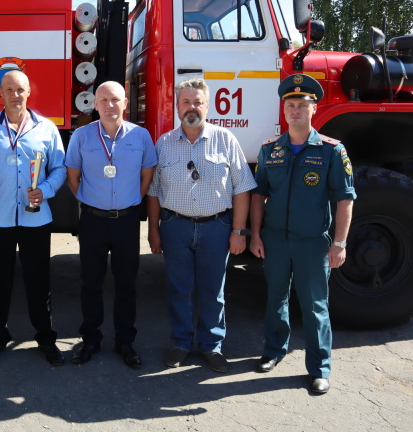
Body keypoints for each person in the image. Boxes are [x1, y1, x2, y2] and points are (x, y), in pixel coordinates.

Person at [250, 74, 355, 395]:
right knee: (275, 299)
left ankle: (320, 368)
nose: (295, 110)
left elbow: (345, 198)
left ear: (313, 109)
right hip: (275, 240)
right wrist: (255, 235)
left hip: (313, 244)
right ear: (284, 110)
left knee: (314, 306)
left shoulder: (331, 151)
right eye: (290, 105)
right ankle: (273, 351)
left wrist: (339, 243)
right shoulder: (270, 150)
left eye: (302, 105)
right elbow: (258, 195)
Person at [147, 78, 256, 373]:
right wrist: (153, 230)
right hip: (175, 226)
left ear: (208, 106)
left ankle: (212, 345)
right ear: (177, 107)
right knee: (179, 288)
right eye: (186, 102)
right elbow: (154, 191)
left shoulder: (226, 140)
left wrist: (238, 231)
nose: (191, 107)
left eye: (197, 102)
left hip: (216, 227)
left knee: (212, 290)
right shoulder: (165, 143)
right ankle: (181, 343)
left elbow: (242, 189)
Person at [0, 70, 67, 366]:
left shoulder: (46, 129)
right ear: (0, 93)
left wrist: (45, 190)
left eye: (20, 89)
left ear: (28, 92)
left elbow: (60, 168)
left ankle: (46, 338)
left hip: (36, 220)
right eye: (8, 89)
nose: (15, 94)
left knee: (39, 282)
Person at [65, 81, 157, 369]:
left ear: (125, 103)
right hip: (92, 220)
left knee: (126, 284)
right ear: (94, 104)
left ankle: (125, 341)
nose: (109, 105)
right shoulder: (81, 136)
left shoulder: (141, 136)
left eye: (115, 99)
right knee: (90, 282)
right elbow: (73, 178)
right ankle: (90, 339)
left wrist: (130, 202)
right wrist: (91, 202)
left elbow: (147, 178)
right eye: (103, 100)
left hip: (127, 221)